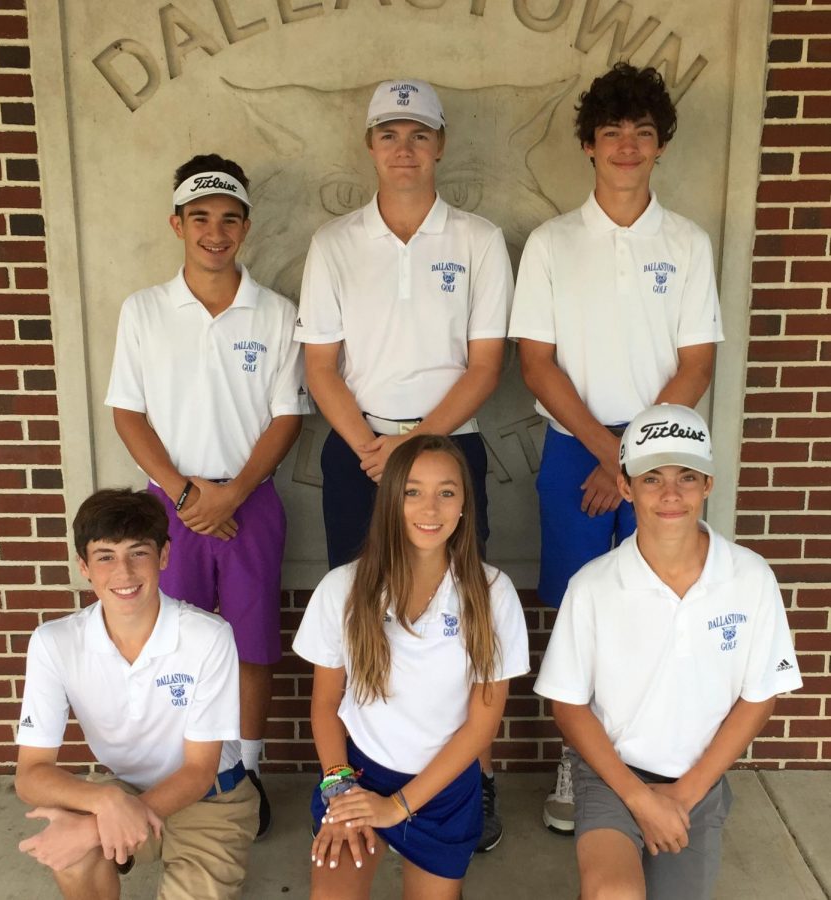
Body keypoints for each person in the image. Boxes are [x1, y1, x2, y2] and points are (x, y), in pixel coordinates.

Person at [295, 78, 513, 851]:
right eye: (389, 134)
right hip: (358, 450)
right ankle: (351, 779)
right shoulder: (334, 243)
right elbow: (321, 365)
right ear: (370, 147)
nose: (405, 148)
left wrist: (415, 447)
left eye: (419, 134)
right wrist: (370, 448)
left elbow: (486, 366)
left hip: (452, 448)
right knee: (361, 609)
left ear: (441, 145)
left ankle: (470, 784)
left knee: (465, 621)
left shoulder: (479, 240)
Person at [508, 62, 724, 833]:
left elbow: (696, 361)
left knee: (657, 601)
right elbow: (536, 361)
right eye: (611, 134)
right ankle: (579, 758)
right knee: (577, 604)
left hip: (662, 462)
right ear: (589, 146)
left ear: (660, 145)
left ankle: (646, 752)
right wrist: (608, 455)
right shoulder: (552, 242)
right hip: (576, 449)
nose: (627, 147)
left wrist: (635, 463)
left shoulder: (688, 242)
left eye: (641, 133)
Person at [106, 153, 310, 837]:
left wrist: (232, 494)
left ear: (246, 227)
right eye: (200, 219)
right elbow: (128, 412)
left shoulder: (277, 313)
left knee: (252, 644)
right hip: (169, 503)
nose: (214, 233)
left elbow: (288, 415)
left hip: (249, 498)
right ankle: (184, 769)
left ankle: (245, 772)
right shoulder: (145, 311)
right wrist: (187, 492)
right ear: (177, 224)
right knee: (173, 640)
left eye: (228, 219)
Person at [534, 404, 802, 899]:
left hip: (697, 779)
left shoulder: (749, 577)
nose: (671, 494)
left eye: (686, 477)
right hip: (613, 774)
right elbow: (567, 704)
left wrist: (685, 793)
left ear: (709, 485)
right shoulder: (594, 585)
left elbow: (760, 694)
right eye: (652, 478)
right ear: (625, 487)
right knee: (614, 893)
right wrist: (639, 797)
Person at [293, 434, 529, 897]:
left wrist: (398, 807)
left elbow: (482, 725)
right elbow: (324, 705)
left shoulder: (492, 592)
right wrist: (340, 790)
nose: (430, 508)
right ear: (389, 501)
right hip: (356, 774)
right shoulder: (343, 587)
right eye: (412, 492)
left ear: (465, 504)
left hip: (443, 787)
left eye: (447, 492)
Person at [15, 489, 258, 899]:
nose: (123, 572)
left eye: (138, 552)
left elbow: (199, 770)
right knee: (75, 861)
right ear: (84, 566)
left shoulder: (207, 636)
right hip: (126, 788)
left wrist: (94, 823)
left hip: (212, 799)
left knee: (80, 839)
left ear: (164, 556)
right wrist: (106, 800)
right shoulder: (53, 642)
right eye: (105, 556)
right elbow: (31, 773)